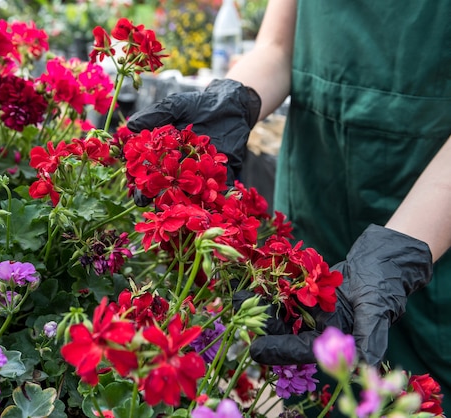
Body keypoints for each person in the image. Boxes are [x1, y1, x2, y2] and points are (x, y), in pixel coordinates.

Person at [126, 0, 451, 411]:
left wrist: (400, 254)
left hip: (434, 225)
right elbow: (279, 46)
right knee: (312, 375)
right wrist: (236, 98)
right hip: (319, 193)